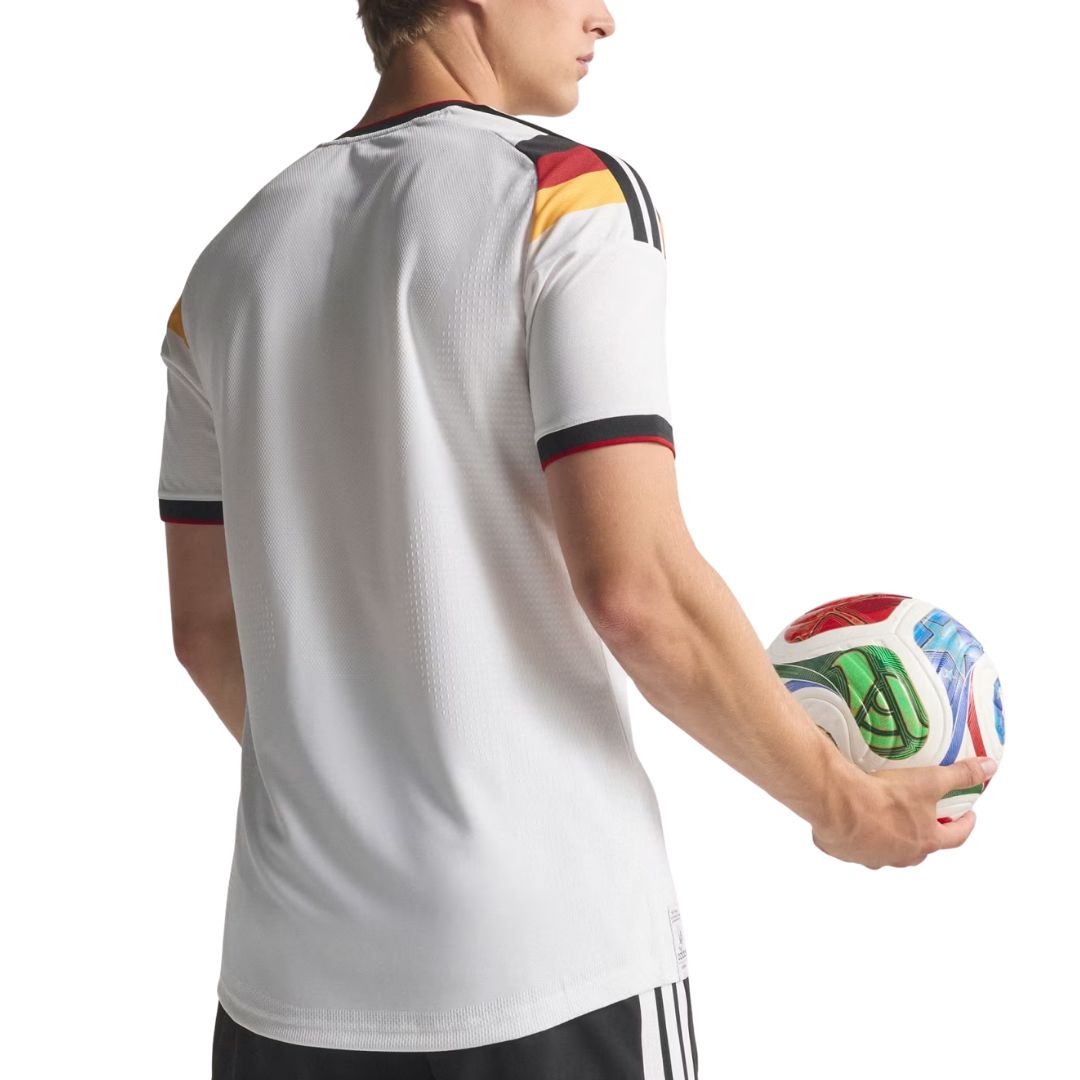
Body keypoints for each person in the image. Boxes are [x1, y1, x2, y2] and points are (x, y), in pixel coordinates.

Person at [156, 1, 997, 1076]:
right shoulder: (565, 194)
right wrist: (844, 803)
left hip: (290, 975)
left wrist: (369, 796)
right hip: (543, 961)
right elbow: (638, 590)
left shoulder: (227, 265)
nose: (606, 17)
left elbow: (207, 629)